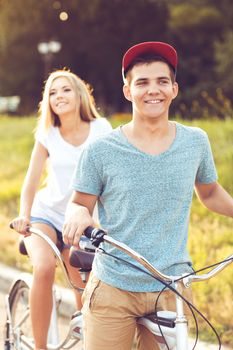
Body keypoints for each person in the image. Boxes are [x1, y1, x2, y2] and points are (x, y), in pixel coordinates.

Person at [62, 42, 233, 350]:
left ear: (174, 89)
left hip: (172, 287)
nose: (153, 90)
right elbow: (79, 203)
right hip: (115, 284)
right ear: (128, 90)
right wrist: (77, 215)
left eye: (162, 81)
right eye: (142, 82)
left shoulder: (195, 142)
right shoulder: (102, 151)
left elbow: (210, 193)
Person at [10, 69, 112, 350]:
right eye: (52, 92)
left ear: (80, 94)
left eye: (65, 89)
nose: (59, 96)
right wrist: (24, 215)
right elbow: (31, 181)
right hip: (45, 214)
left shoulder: (102, 129)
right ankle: (41, 347)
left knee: (83, 288)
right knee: (43, 267)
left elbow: (117, 174)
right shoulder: (48, 134)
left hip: (79, 220)